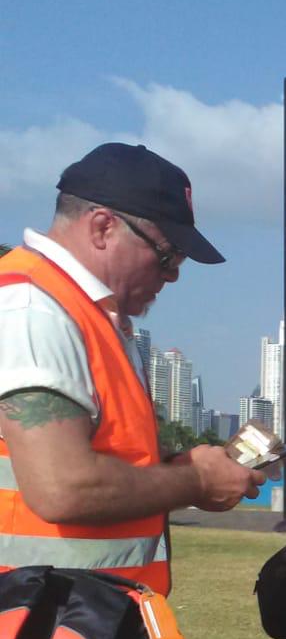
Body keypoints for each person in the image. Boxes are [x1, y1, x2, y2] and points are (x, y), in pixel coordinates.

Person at [0, 143, 260, 591]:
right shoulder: (33, 310)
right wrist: (194, 480)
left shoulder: (89, 316)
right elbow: (63, 488)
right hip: (37, 629)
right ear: (103, 227)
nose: (173, 276)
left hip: (81, 621)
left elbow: (108, 462)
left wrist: (182, 468)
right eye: (167, 256)